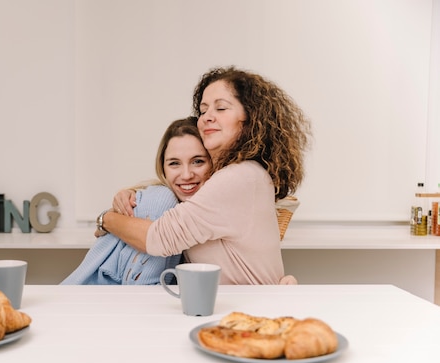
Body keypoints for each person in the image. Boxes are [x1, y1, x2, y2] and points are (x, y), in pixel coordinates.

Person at [97, 66, 311, 285]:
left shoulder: (240, 176)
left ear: (250, 118)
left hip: (247, 309)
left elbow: (160, 238)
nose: (207, 117)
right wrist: (134, 194)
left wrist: (106, 219)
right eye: (204, 110)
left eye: (221, 108)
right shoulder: (239, 176)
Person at [60, 117, 212, 285]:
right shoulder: (162, 198)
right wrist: (106, 219)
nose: (186, 175)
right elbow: (139, 287)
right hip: (91, 304)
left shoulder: (200, 210)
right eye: (174, 163)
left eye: (198, 161)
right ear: (162, 168)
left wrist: (106, 219)